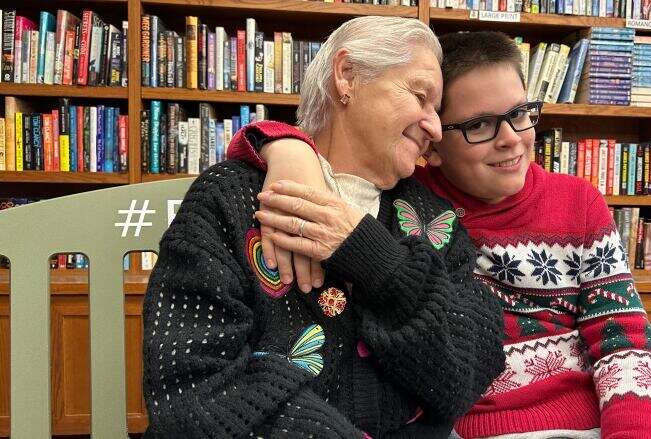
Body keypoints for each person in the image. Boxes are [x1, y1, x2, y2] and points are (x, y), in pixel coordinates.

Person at [248, 31, 651, 439]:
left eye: (521, 113)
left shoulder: (578, 202)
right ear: (431, 142)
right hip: (477, 424)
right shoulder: (413, 203)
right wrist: (284, 146)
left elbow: (623, 337)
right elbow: (335, 159)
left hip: (602, 417)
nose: (511, 138)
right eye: (479, 125)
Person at [141, 17, 505, 439]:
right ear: (347, 76)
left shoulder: (433, 220)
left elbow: (462, 377)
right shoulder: (232, 199)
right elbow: (191, 392)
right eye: (420, 97)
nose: (436, 128)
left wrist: (378, 261)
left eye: (437, 112)